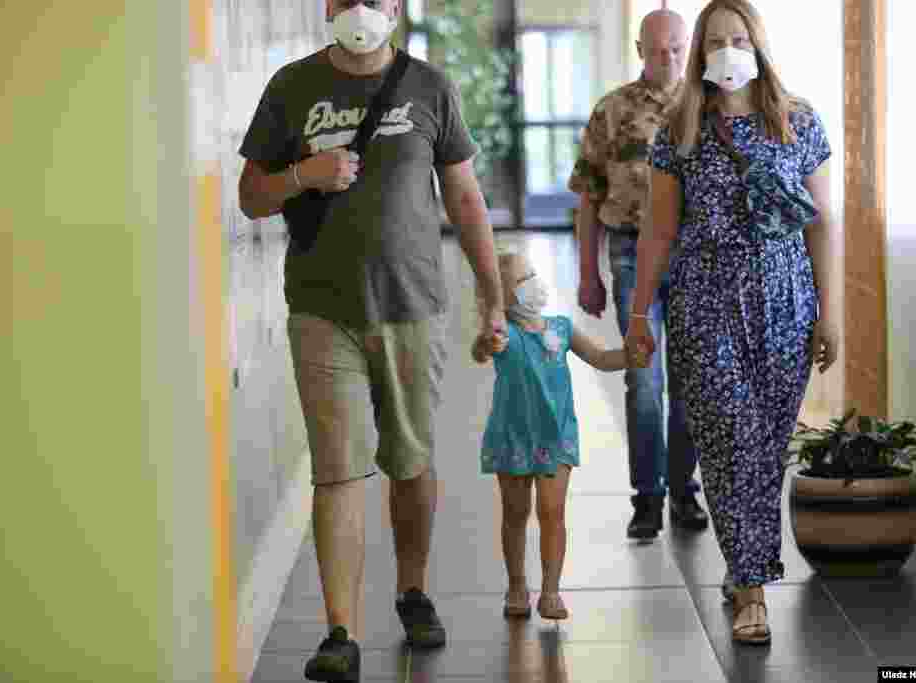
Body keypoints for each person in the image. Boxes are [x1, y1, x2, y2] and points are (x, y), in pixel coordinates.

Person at [237, 1, 507, 680]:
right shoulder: (291, 87)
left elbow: (465, 198)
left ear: (395, 7)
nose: (360, 7)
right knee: (338, 470)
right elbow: (250, 194)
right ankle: (340, 633)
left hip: (413, 306)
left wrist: (492, 290)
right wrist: (304, 175)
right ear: (327, 6)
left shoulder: (428, 87)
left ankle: (412, 589)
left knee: (410, 464)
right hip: (322, 310)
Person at [624, 0, 839, 645]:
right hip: (705, 302)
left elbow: (822, 224)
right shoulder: (681, 128)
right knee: (731, 441)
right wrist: (640, 310)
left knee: (765, 449)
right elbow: (659, 229)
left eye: (737, 38)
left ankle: (741, 559)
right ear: (699, 53)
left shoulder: (799, 121)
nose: (726, 50)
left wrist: (832, 314)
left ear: (758, 43)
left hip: (785, 304)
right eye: (714, 40)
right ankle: (751, 591)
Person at [569, 8, 707, 541]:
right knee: (643, 380)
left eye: (676, 49)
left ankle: (683, 491)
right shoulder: (613, 110)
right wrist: (588, 272)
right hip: (629, 251)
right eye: (657, 50)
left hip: (696, 254)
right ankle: (646, 496)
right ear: (639, 48)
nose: (668, 59)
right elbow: (587, 196)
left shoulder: (706, 104)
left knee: (690, 381)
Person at [472, 252, 628, 621]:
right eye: (521, 280)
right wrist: (486, 341)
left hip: (556, 436)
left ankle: (551, 591)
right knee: (514, 513)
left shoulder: (561, 327)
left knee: (552, 513)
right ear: (503, 296)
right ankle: (515, 585)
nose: (533, 284)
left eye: (533, 275)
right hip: (512, 436)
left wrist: (630, 355)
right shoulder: (503, 334)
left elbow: (601, 357)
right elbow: (481, 350)